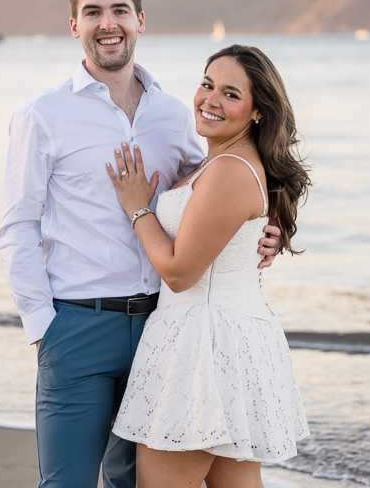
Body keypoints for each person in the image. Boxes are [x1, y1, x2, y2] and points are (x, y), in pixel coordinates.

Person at [0, 0, 282, 488]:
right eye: (93, 12)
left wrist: (266, 228)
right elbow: (17, 226)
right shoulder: (43, 115)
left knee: (136, 482)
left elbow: (206, 194)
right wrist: (42, 326)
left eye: (119, 10)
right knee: (67, 483)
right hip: (78, 327)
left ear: (140, 20)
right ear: (74, 24)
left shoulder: (174, 114)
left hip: (162, 328)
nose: (108, 23)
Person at [107, 44, 311, 488]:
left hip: (201, 344)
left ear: (258, 111)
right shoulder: (222, 163)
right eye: (206, 84)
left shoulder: (228, 170)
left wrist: (138, 208)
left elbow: (179, 274)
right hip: (230, 338)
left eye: (230, 93)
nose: (210, 100)